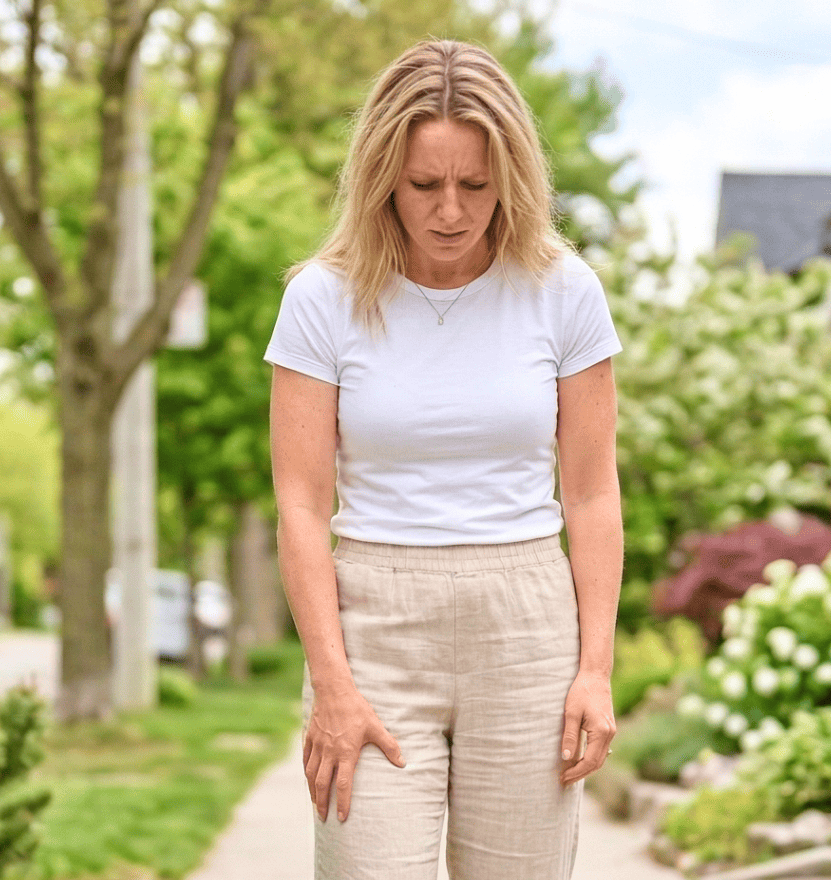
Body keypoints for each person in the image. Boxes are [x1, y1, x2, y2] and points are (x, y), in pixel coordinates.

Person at [265, 38, 623, 880]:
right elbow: (300, 506)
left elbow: (593, 493)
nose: (452, 211)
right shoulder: (322, 298)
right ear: (384, 175)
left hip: (528, 628)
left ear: (513, 177)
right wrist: (331, 686)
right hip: (375, 633)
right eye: (426, 185)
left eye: (476, 184)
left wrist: (595, 671)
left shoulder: (564, 290)